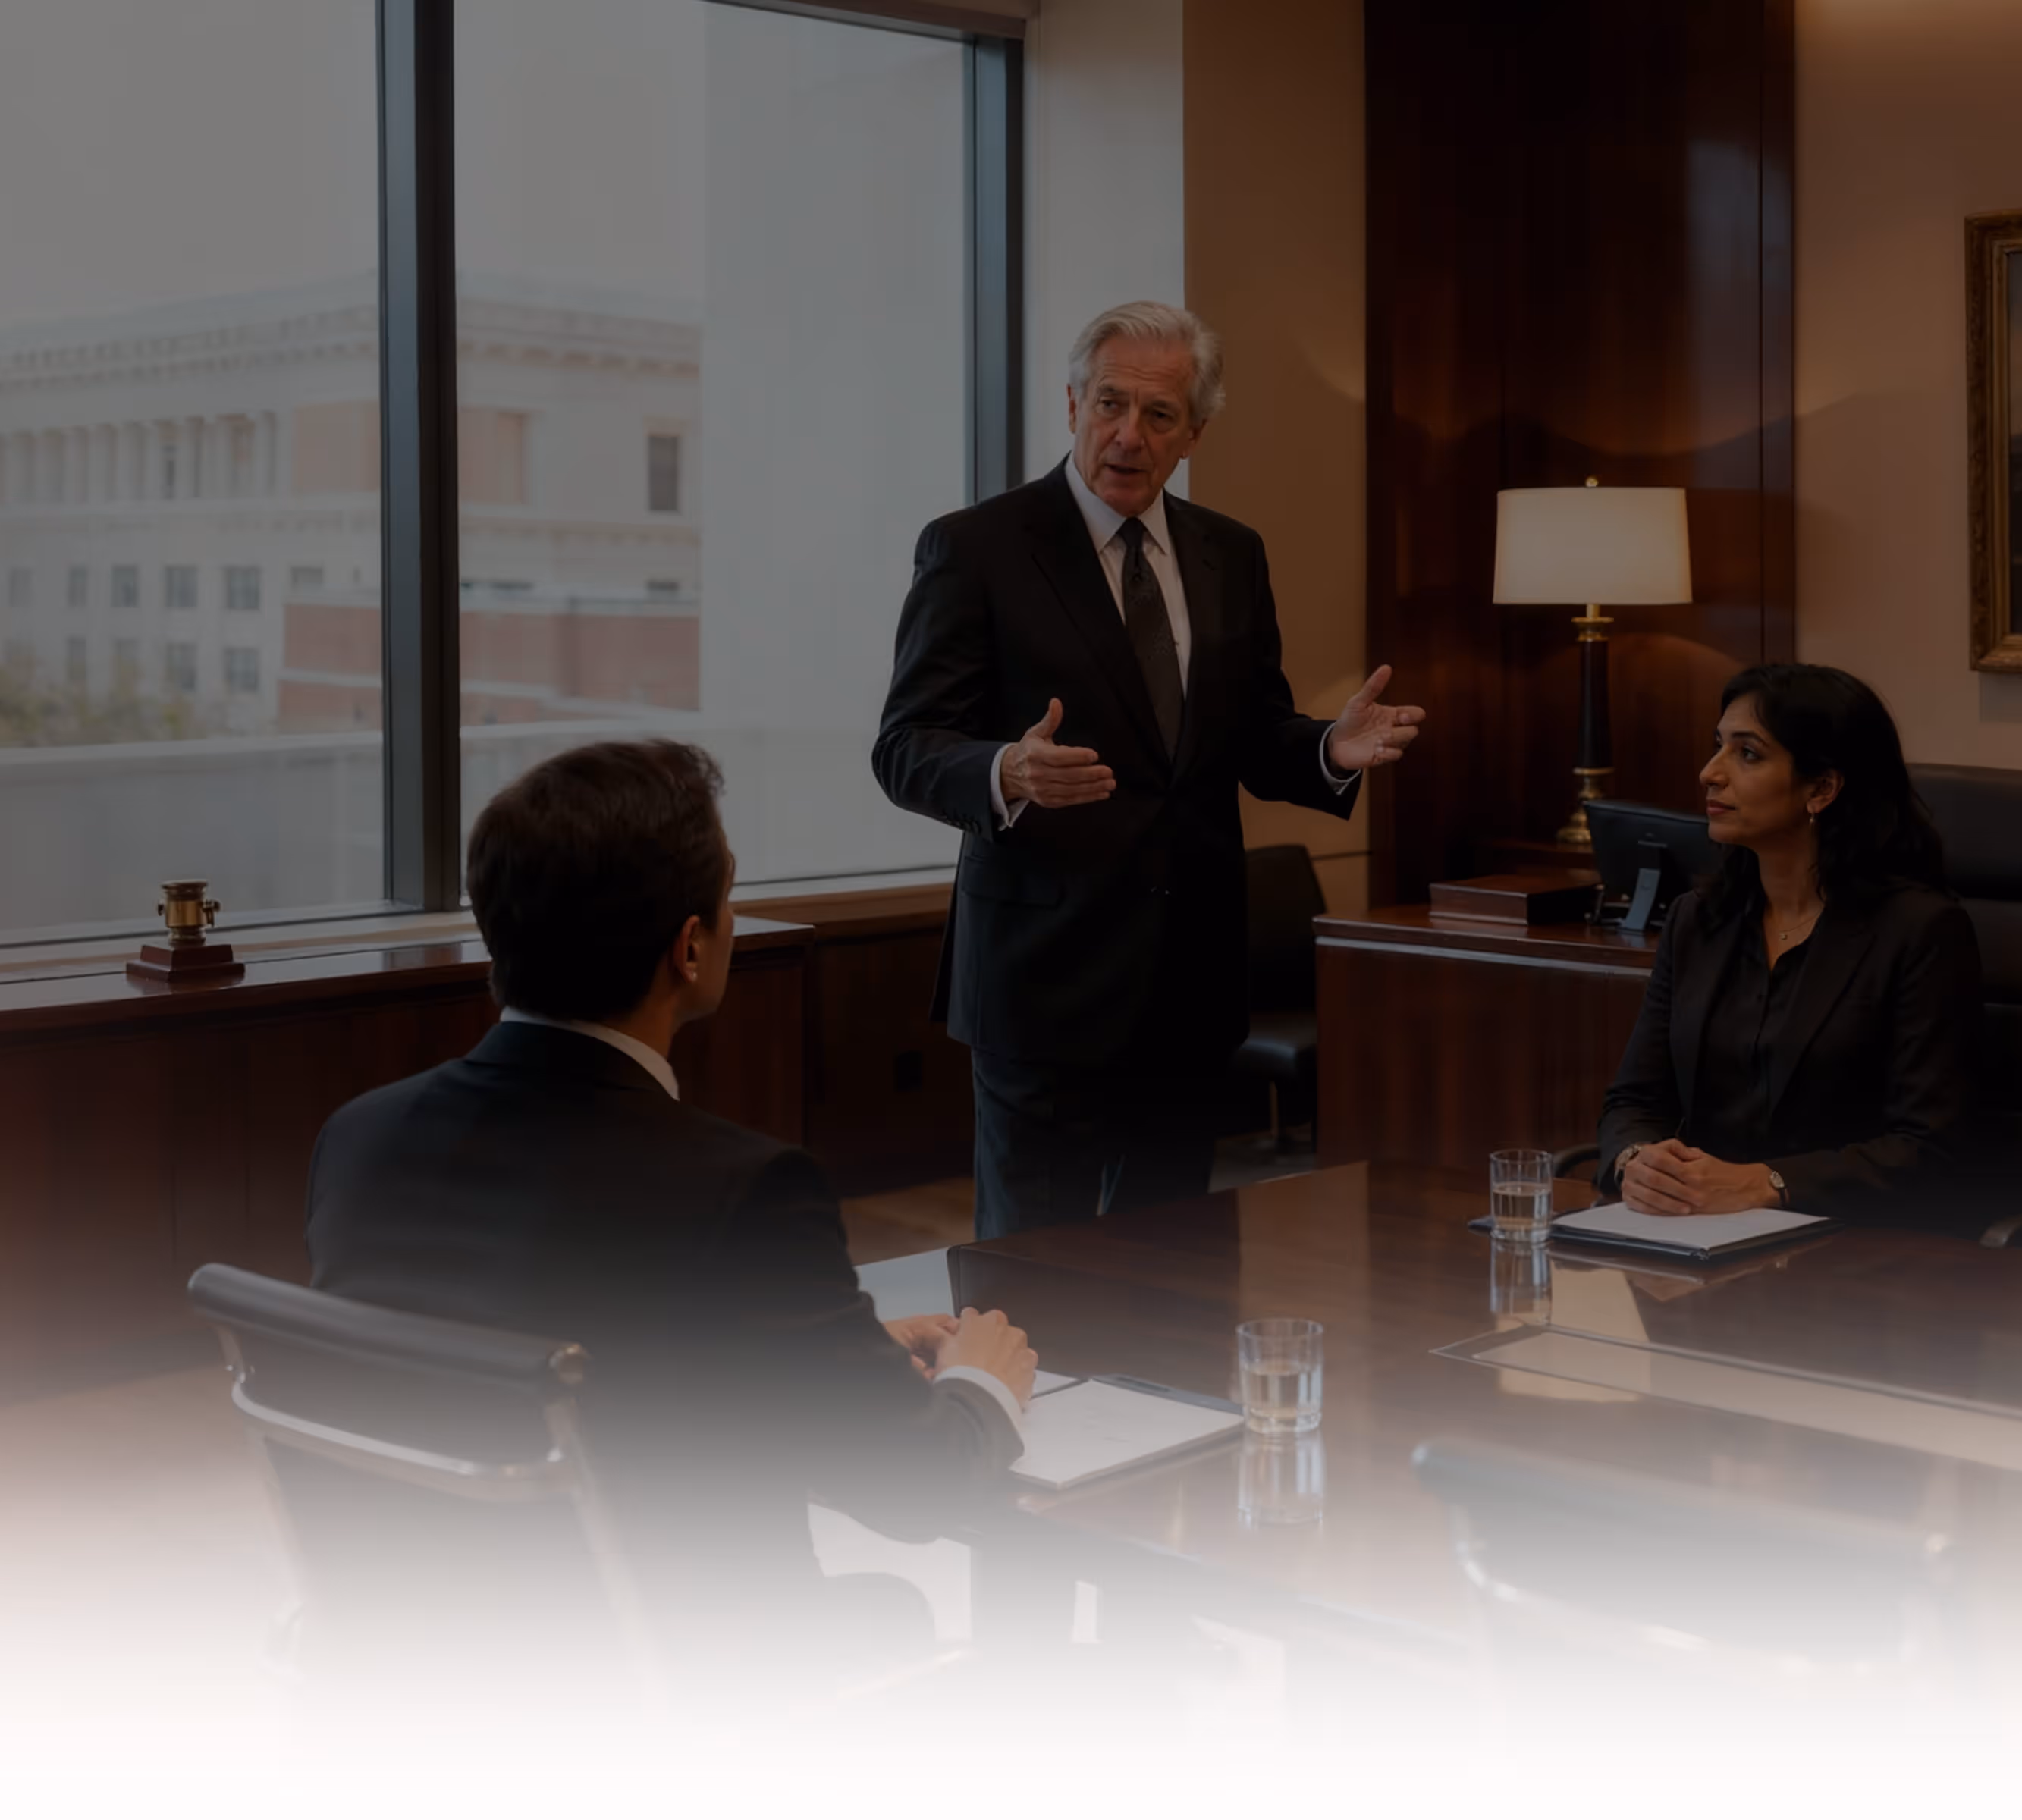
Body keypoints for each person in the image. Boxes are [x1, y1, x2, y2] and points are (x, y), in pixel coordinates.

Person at [304, 738, 1037, 1653]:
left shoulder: (361, 1140)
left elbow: (531, 1327)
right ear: (691, 946)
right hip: (666, 1679)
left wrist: (815, 1345)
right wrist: (980, 1383)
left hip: (429, 1657)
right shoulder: (742, 1194)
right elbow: (914, 1488)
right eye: (729, 897)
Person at [873, 300, 1424, 1236]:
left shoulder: (1230, 555)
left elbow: (1251, 733)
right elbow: (906, 746)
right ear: (1073, 404)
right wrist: (1007, 770)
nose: (1129, 434)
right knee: (1033, 1274)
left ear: (1194, 432)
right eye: (1110, 405)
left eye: (1158, 415)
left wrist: (1328, 748)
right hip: (1042, 984)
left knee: (1177, 1267)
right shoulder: (976, 548)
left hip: (1190, 979)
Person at [1595, 664, 1986, 1229]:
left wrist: (1768, 1183)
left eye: (1747, 754)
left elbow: (1931, 1147)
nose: (1710, 773)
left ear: (1822, 789)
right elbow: (1634, 1101)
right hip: (1699, 1239)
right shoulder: (1697, 920)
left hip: (1857, 1257)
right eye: (1717, 747)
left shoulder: (1920, 931)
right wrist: (1638, 1163)